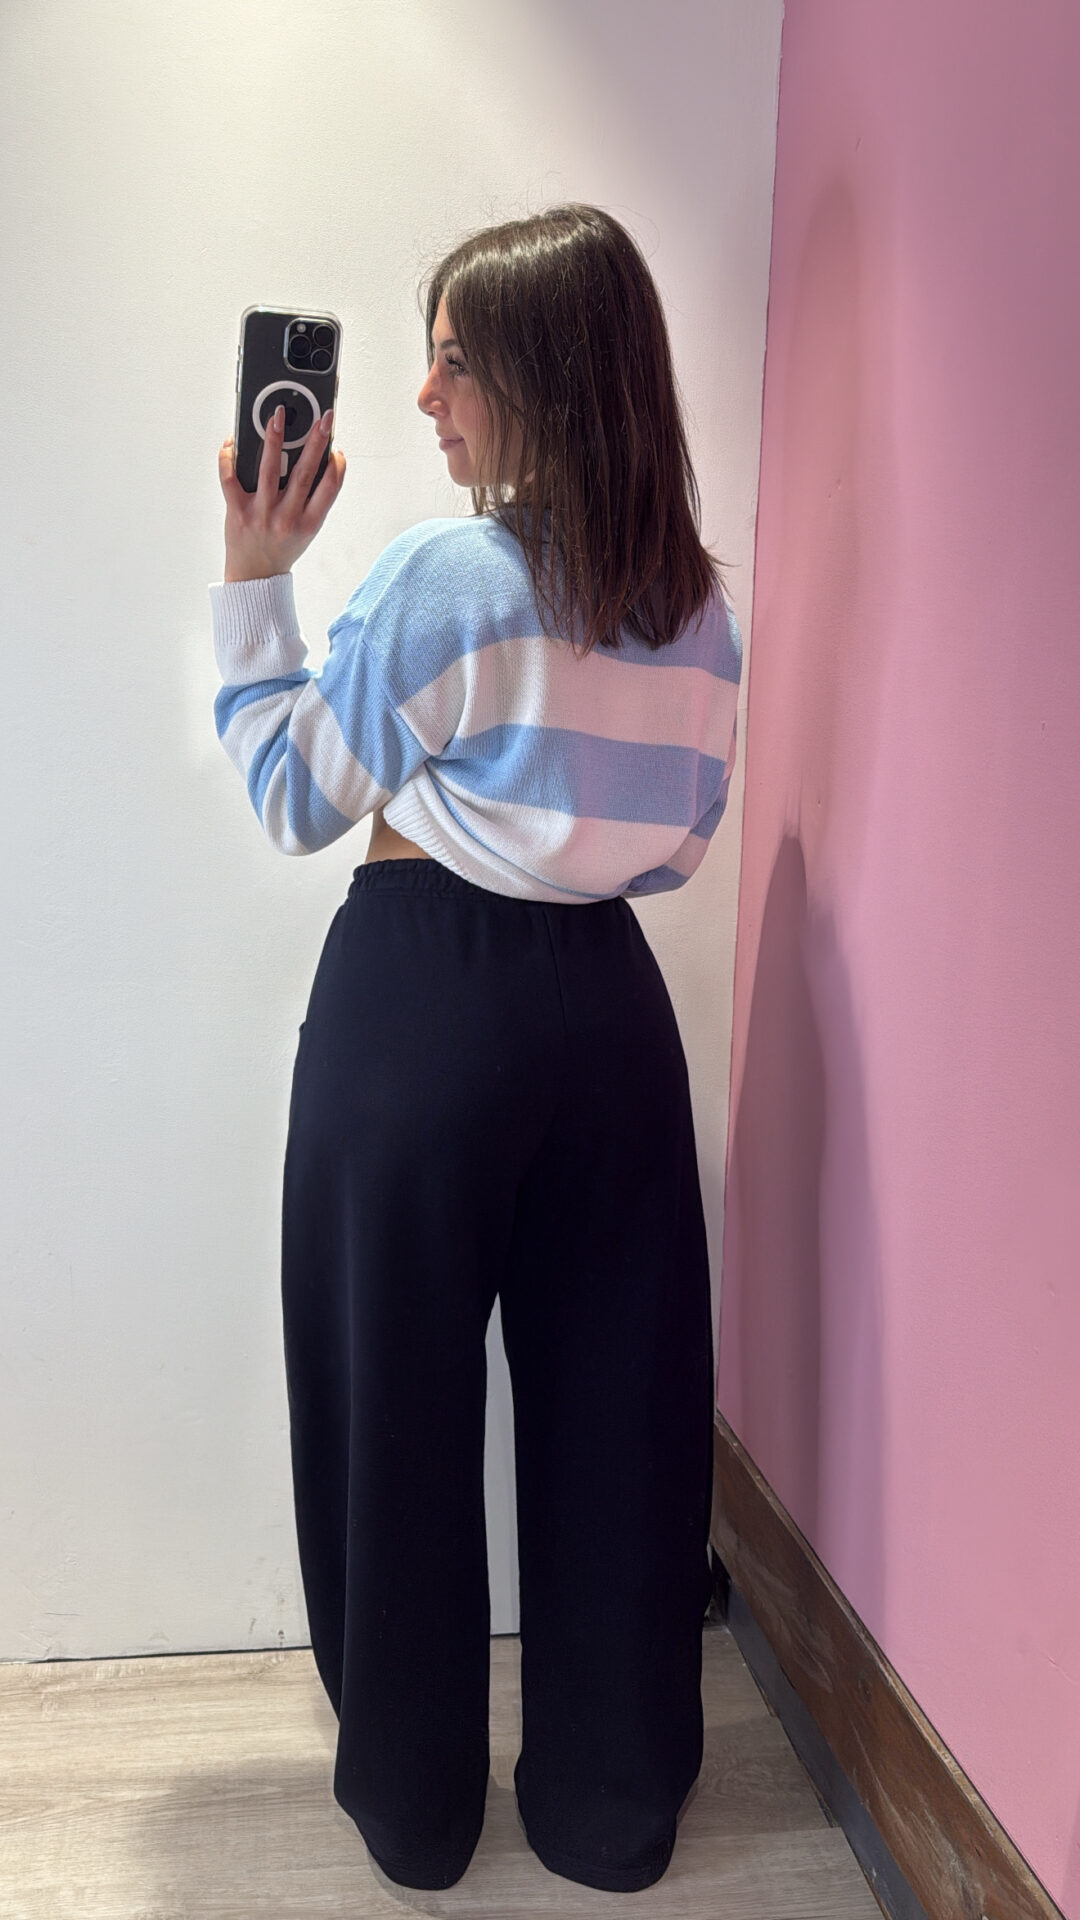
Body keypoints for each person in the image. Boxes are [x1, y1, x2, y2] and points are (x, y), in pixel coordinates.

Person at [210, 202, 742, 1895]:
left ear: (544, 372)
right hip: (614, 1020)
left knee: (393, 1403)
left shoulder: (448, 575)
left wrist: (254, 581)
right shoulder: (698, 610)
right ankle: (610, 1810)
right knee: (624, 1410)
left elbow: (294, 795)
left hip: (421, 1005)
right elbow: (680, 846)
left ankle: (417, 1809)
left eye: (453, 362)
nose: (426, 398)